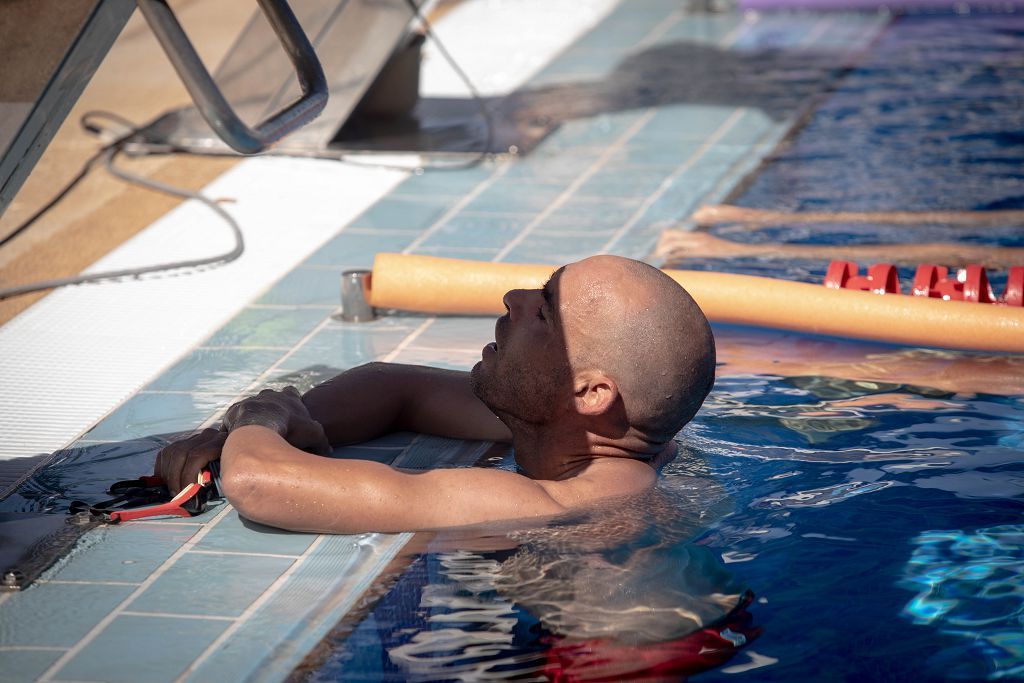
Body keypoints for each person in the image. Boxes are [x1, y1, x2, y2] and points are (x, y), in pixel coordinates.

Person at [155, 255, 716, 534]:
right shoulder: (605, 439)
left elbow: (260, 484)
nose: (511, 297)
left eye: (542, 311)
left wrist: (256, 416)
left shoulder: (557, 509)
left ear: (591, 393)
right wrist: (250, 432)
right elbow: (394, 386)